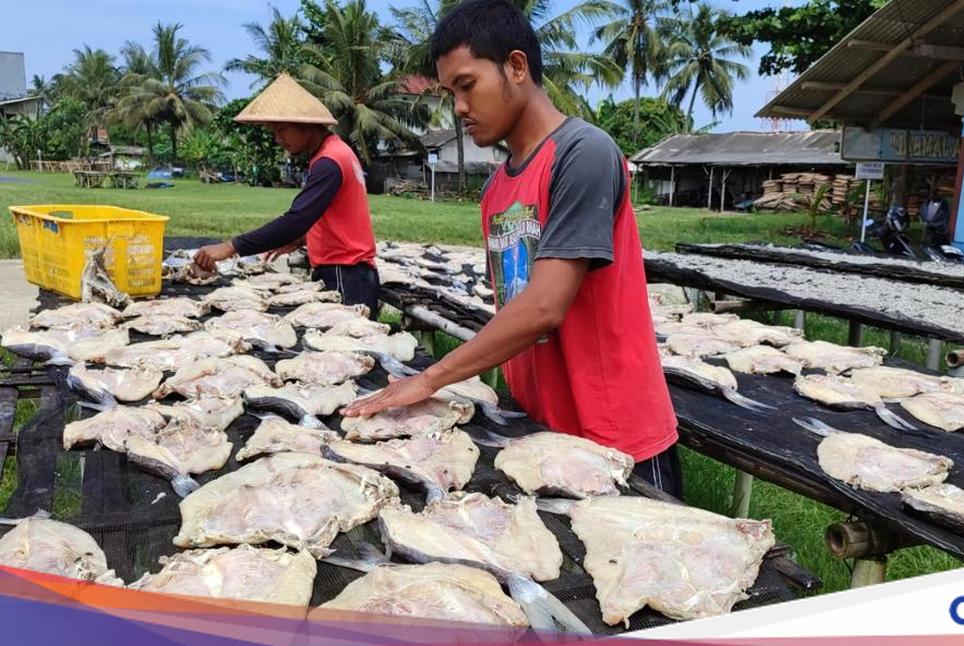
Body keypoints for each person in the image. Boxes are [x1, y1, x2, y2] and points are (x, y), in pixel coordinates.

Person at [342, 0, 682, 497]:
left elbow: (544, 306)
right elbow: (514, 303)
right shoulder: (497, 187)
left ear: (516, 67)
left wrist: (431, 377)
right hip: (543, 430)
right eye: (449, 92)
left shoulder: (582, 153)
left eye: (466, 85)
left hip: (615, 438)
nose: (458, 107)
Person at [193, 73, 380, 316]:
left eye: (281, 130)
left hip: (346, 274)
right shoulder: (334, 151)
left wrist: (231, 247)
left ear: (306, 125)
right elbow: (334, 216)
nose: (278, 139)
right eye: (273, 131)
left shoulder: (328, 161)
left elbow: (297, 219)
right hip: (348, 271)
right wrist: (302, 239)